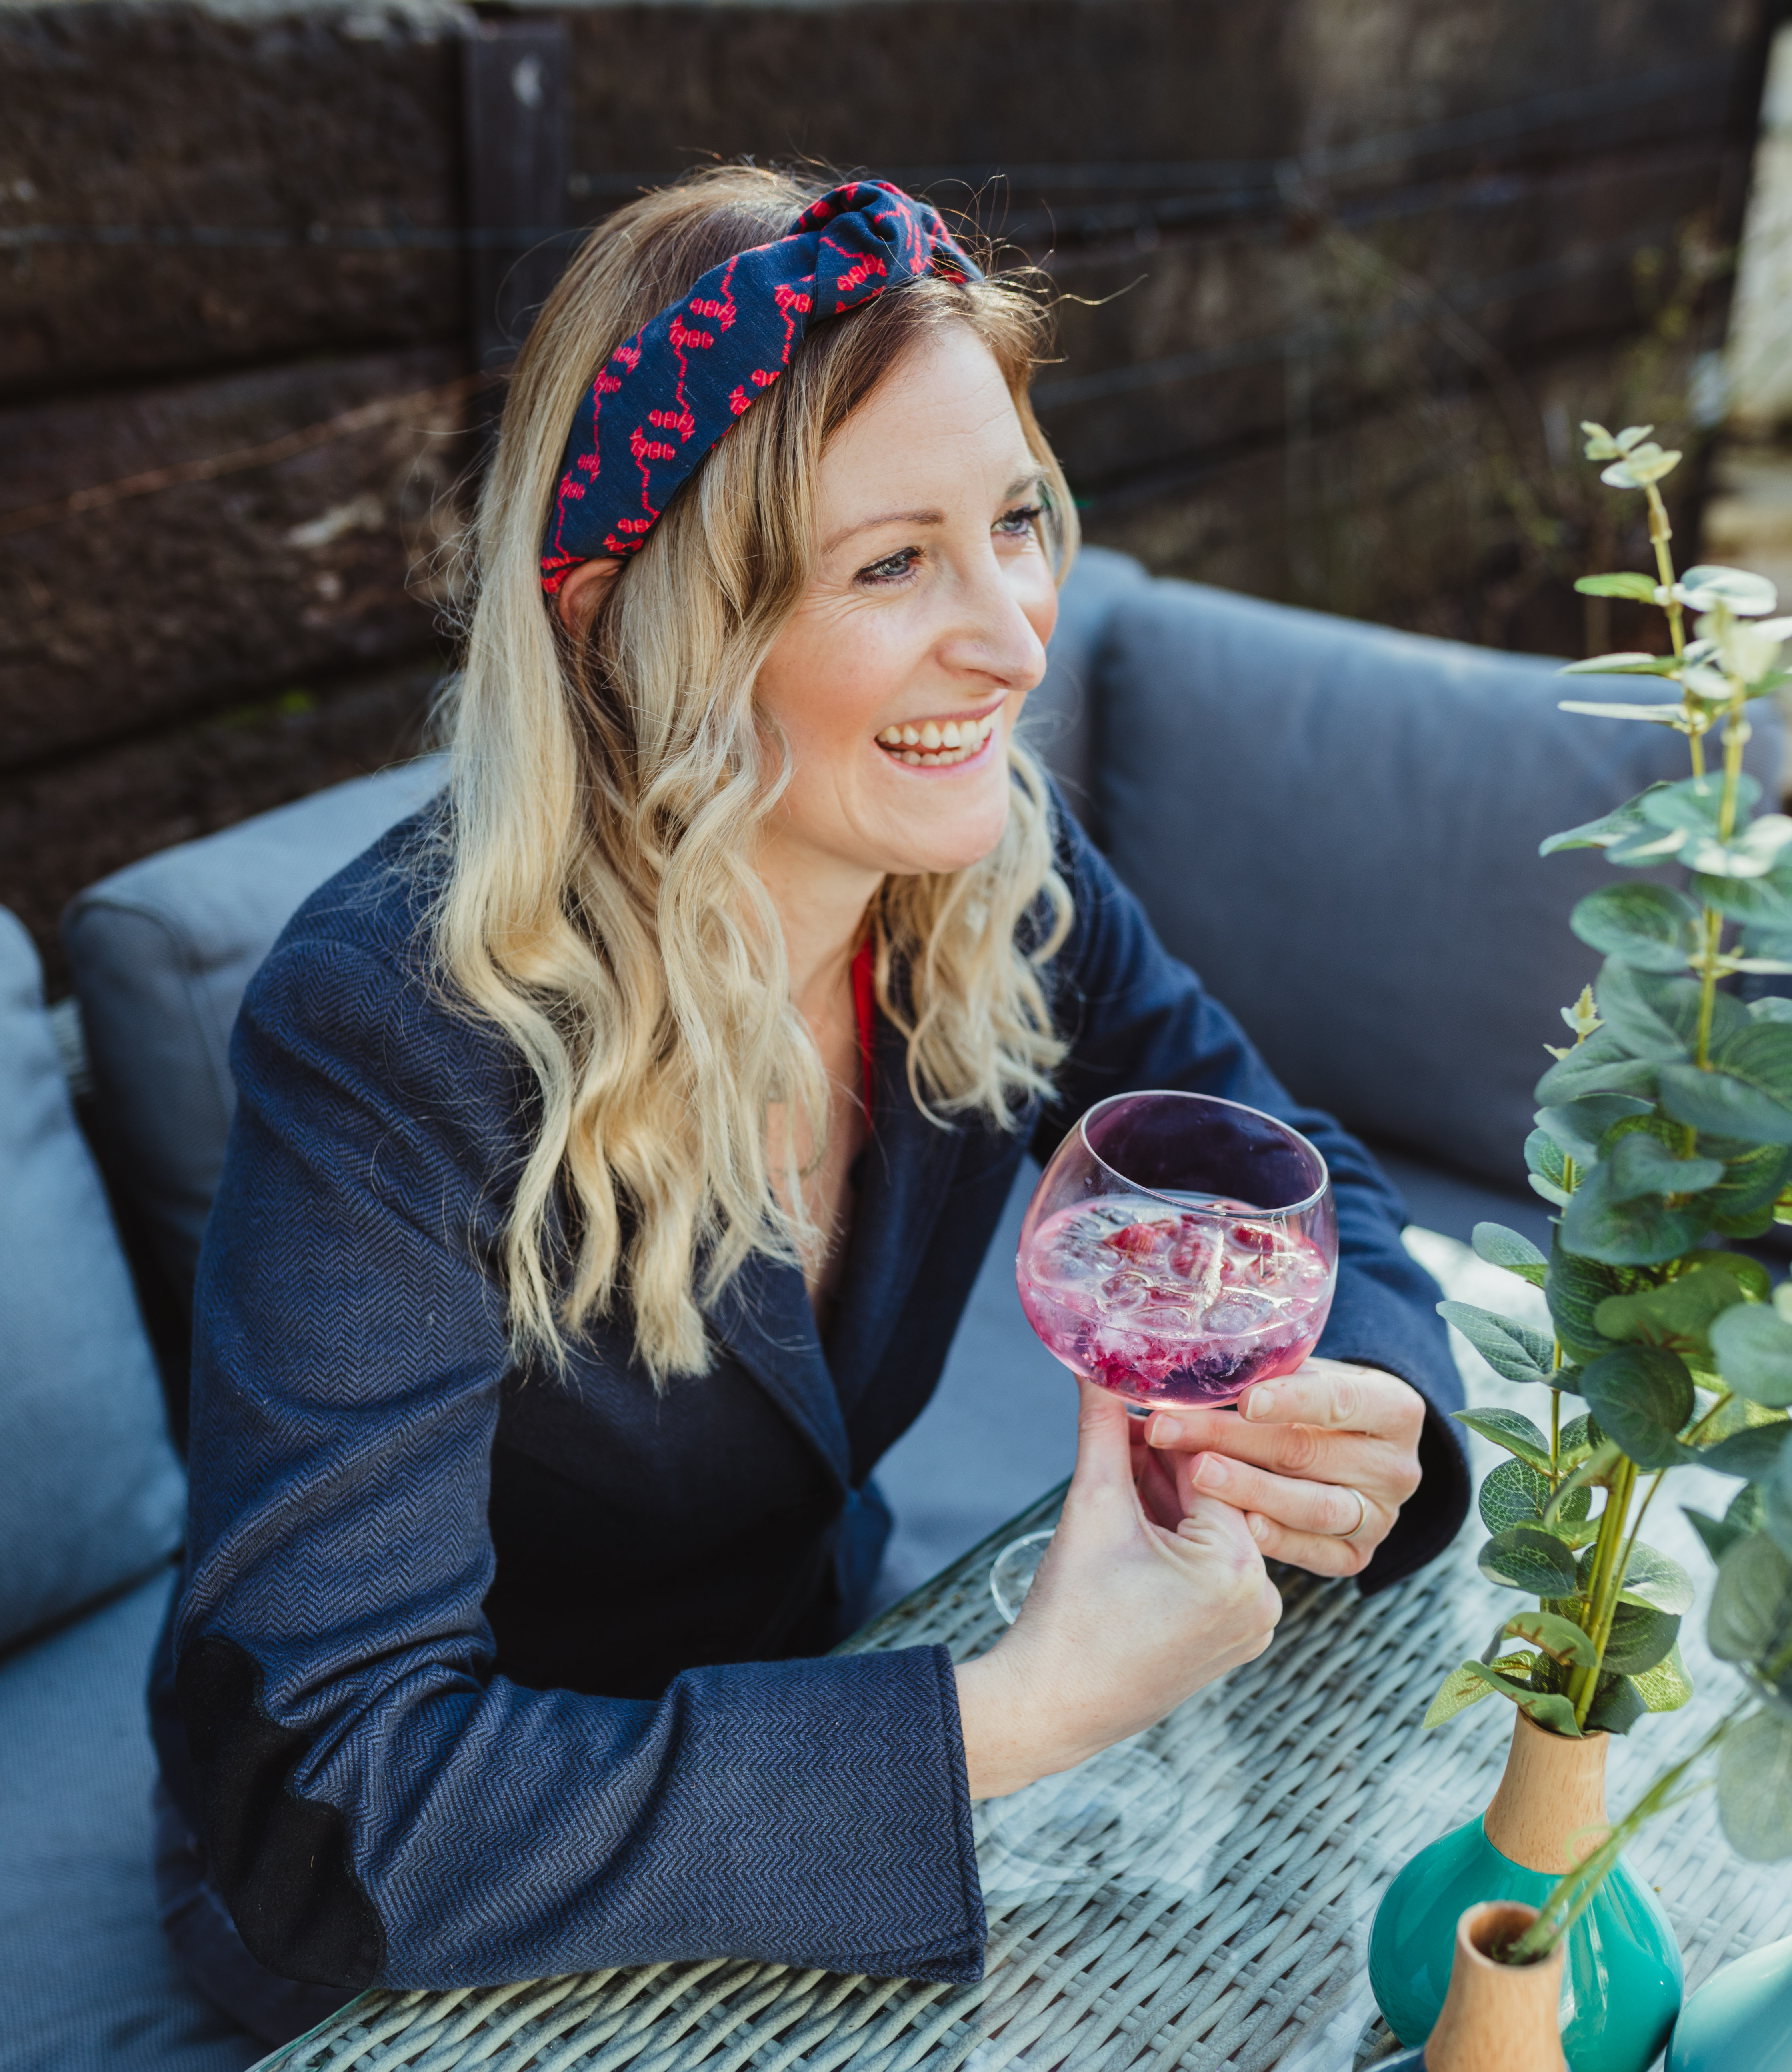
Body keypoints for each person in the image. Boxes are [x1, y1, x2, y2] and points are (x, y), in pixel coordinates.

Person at [148, 167, 1468, 2046]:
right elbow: (331, 1801)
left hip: (823, 1676)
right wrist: (1015, 1711)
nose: (1015, 637)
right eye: (887, 563)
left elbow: (1290, 1173)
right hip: (444, 1926)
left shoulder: (984, 858)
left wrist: (1378, 1422)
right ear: (631, 621)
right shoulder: (391, 1030)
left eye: (1013, 519)